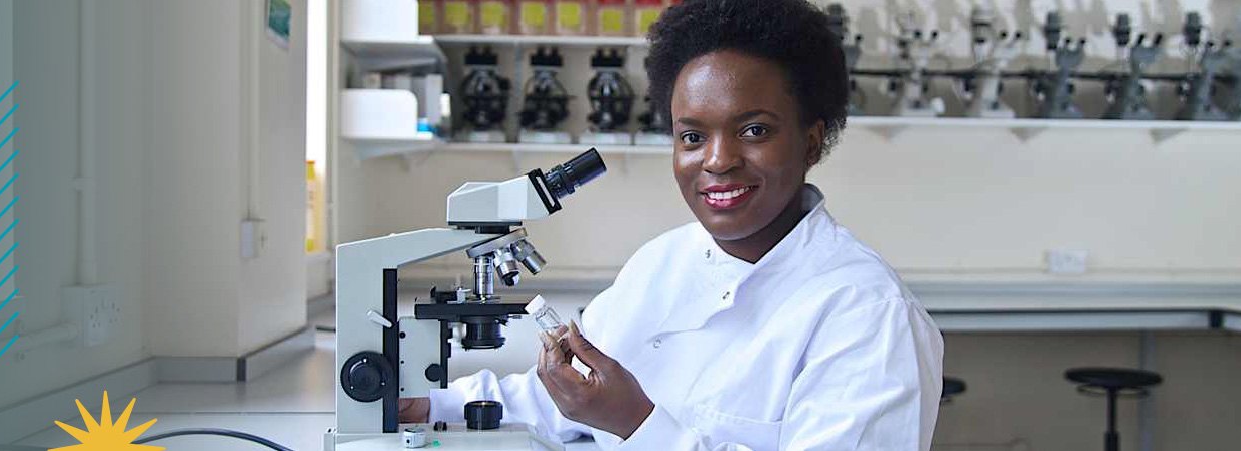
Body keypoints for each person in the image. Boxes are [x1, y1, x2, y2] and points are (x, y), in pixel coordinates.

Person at [400, 0, 943, 448]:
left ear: (810, 141)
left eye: (754, 130)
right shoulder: (662, 261)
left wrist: (636, 423)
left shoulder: (867, 316)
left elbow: (622, 418)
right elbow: (554, 402)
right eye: (692, 136)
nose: (716, 160)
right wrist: (426, 405)